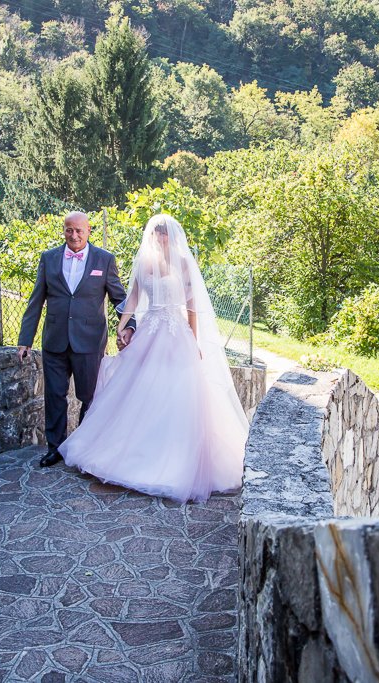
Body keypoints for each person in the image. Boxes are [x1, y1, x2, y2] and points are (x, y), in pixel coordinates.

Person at [58, 214, 249, 503]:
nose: (159, 239)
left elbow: (192, 305)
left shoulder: (183, 263)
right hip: (149, 331)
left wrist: (194, 341)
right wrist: (122, 326)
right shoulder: (144, 263)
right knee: (138, 391)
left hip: (176, 334)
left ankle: (172, 458)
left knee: (175, 393)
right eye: (155, 235)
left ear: (170, 237)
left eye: (163, 235)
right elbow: (133, 298)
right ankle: (130, 453)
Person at [17, 211, 134, 468]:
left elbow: (119, 297)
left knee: (89, 396)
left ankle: (83, 448)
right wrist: (26, 339)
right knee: (55, 396)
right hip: (55, 340)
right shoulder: (49, 259)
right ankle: (55, 448)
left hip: (90, 342)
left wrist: (130, 325)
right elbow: (36, 301)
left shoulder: (104, 259)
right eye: (69, 230)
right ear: (64, 230)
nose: (74, 235)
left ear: (89, 231)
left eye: (79, 230)